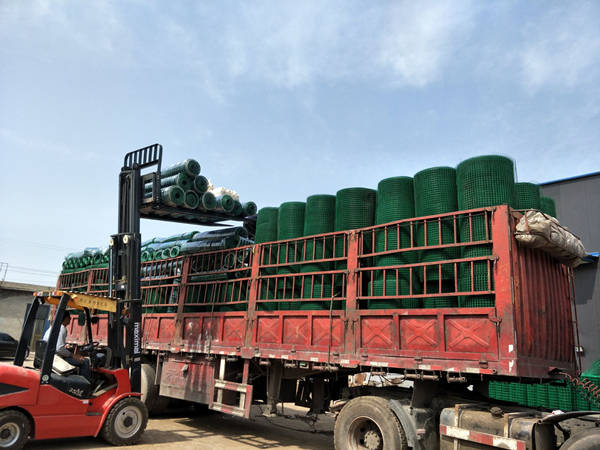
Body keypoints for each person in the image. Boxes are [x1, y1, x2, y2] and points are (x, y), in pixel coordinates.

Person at [43, 310, 91, 382]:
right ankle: (84, 384)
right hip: (56, 359)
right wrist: (73, 355)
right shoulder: (62, 328)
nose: (70, 318)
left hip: (50, 357)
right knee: (85, 361)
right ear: (65, 318)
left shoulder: (52, 328)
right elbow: (59, 349)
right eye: (69, 317)